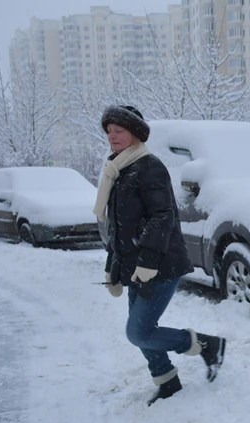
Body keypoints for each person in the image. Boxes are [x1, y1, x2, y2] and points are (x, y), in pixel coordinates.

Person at [94, 105, 226, 405]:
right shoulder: (116, 169)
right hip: (134, 265)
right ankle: (167, 380)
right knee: (143, 330)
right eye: (109, 131)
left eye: (120, 131)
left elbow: (162, 217)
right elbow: (117, 226)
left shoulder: (148, 166)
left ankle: (207, 345)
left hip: (161, 264)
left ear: (136, 134)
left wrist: (148, 262)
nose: (113, 136)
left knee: (138, 332)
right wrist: (111, 269)